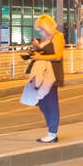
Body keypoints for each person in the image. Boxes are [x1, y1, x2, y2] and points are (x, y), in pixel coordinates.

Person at [25, 15, 65, 143]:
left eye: (41, 28)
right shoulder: (45, 38)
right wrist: (37, 48)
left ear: (47, 26)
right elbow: (45, 53)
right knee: (41, 102)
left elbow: (58, 56)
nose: (40, 31)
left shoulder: (57, 36)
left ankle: (52, 133)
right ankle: (51, 131)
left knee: (50, 102)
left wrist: (40, 57)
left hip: (51, 74)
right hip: (43, 74)